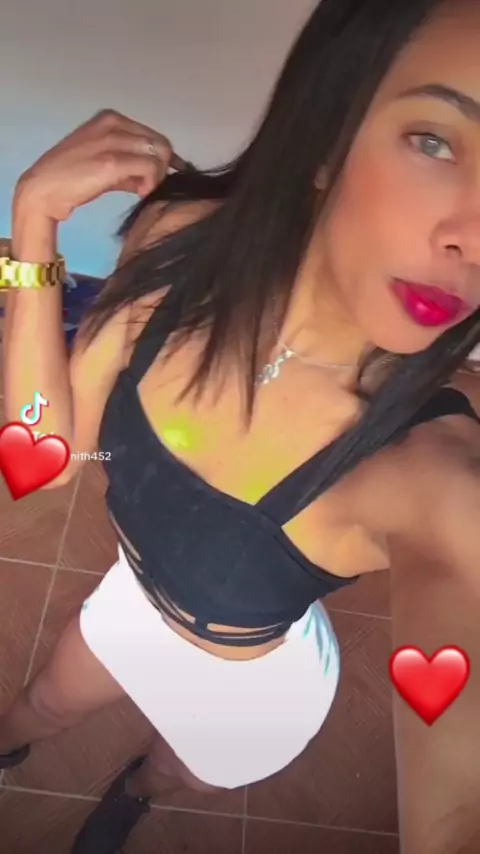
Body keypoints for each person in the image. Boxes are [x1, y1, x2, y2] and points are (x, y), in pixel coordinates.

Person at [2, 0, 480, 851]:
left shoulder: (431, 468)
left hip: (254, 691)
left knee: (176, 769)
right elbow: (40, 459)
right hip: (132, 603)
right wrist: (32, 228)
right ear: (330, 129)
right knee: (39, 704)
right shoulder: (180, 241)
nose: (475, 239)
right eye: (435, 142)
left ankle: (135, 796)